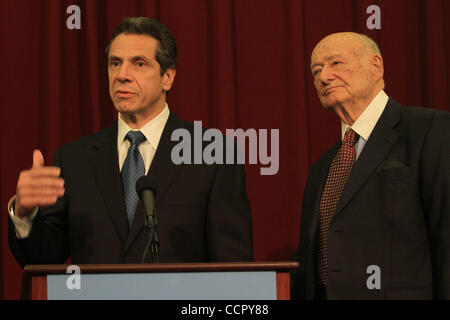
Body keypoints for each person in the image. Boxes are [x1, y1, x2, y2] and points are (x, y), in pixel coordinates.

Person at [8, 17, 253, 266]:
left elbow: (233, 265)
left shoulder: (212, 155)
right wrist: (25, 215)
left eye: (139, 64)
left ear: (167, 77)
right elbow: (44, 262)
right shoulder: (73, 159)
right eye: (115, 63)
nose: (122, 75)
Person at [291, 32, 450, 299]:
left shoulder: (430, 130)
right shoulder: (322, 167)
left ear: (376, 66)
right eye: (316, 71)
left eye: (335, 64)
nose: (323, 77)